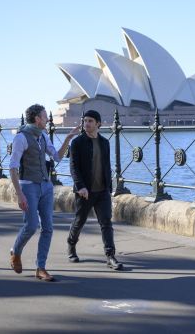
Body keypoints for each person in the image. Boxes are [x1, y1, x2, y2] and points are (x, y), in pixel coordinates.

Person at [9, 104, 79, 281]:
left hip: (46, 186)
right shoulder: (21, 138)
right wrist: (20, 194)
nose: (48, 119)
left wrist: (67, 139)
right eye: (45, 116)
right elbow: (12, 167)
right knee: (31, 226)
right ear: (37, 119)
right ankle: (15, 251)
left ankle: (41, 268)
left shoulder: (43, 136)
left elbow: (56, 157)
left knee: (47, 228)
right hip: (28, 187)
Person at [67, 109, 123, 270]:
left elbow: (107, 166)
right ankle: (71, 245)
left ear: (98, 123)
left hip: (102, 191)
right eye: (85, 121)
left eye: (90, 121)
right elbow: (73, 167)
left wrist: (109, 188)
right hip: (85, 191)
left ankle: (110, 256)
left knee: (106, 223)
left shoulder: (105, 142)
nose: (86, 124)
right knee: (80, 221)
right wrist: (80, 187)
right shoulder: (77, 142)